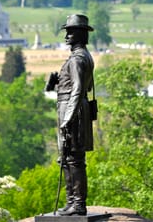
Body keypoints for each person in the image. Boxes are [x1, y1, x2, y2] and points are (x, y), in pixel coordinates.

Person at [49, 14, 95, 216]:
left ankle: (77, 203)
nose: (67, 35)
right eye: (67, 31)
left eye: (71, 31)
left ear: (81, 34)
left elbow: (78, 88)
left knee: (74, 159)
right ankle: (71, 202)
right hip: (73, 107)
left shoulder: (78, 58)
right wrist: (55, 83)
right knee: (67, 158)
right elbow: (86, 85)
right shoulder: (84, 56)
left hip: (72, 110)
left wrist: (68, 117)